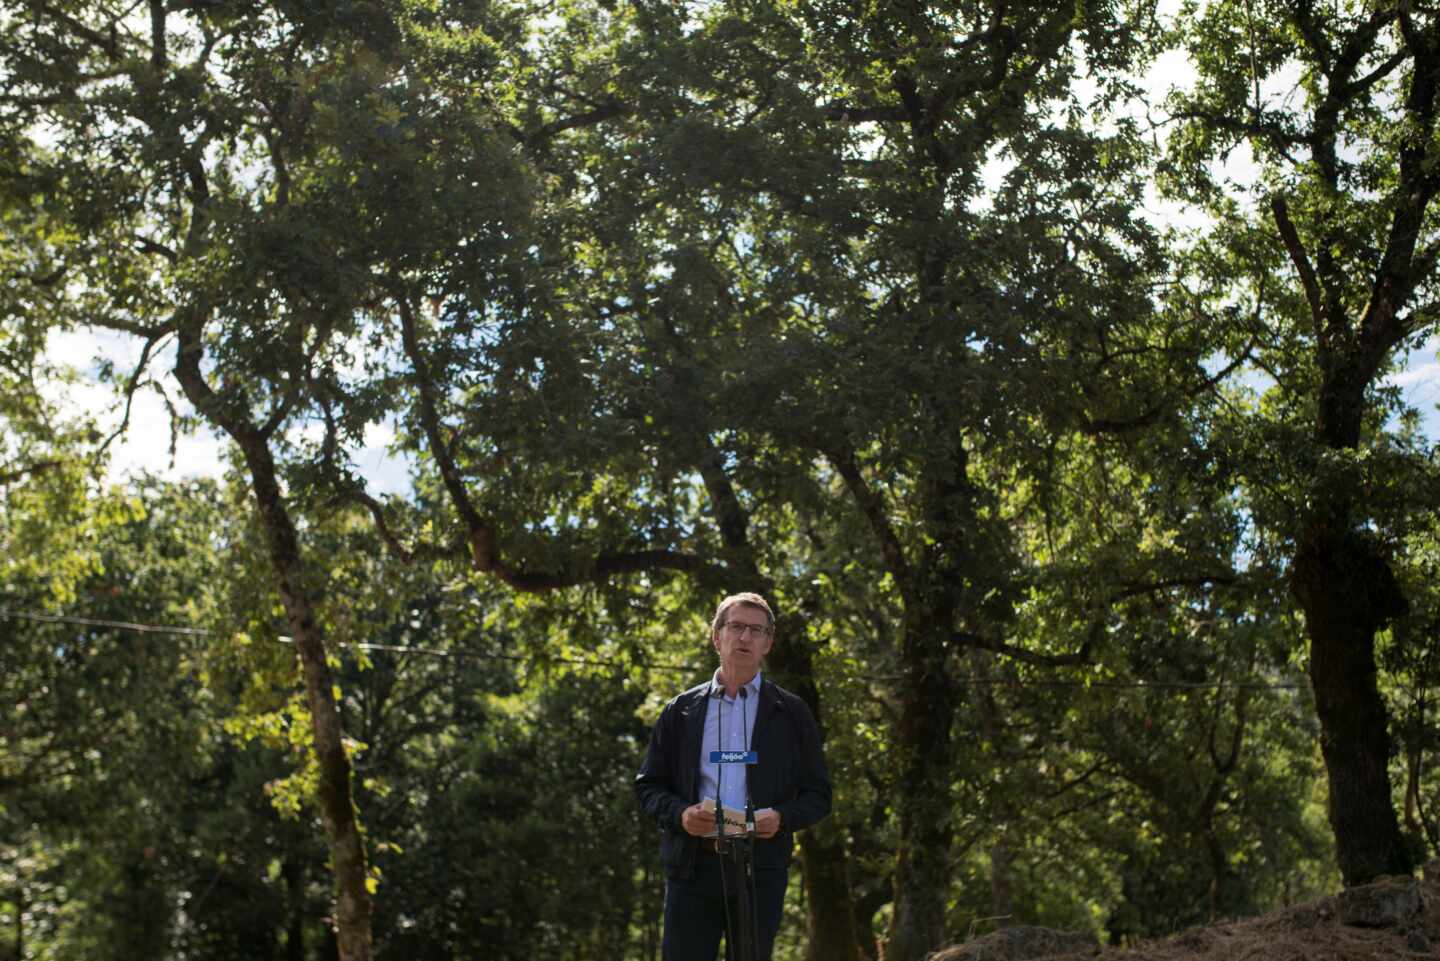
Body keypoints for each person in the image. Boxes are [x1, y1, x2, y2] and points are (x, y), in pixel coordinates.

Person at [635, 592, 832, 961]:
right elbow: (648, 787)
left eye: (756, 631)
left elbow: (819, 794)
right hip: (692, 868)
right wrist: (680, 815)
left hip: (761, 869)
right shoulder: (680, 712)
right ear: (716, 636)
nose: (745, 638)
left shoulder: (791, 713)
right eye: (737, 627)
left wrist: (783, 818)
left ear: (767, 644)